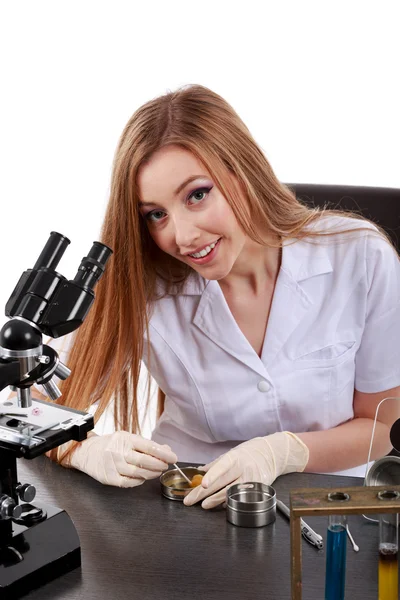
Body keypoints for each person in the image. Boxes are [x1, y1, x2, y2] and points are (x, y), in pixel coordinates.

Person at [33, 84, 400, 509]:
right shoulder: (142, 282)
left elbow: (382, 423)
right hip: (188, 501)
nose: (183, 237)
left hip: (328, 502)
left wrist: (283, 452)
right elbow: (30, 405)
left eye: (198, 195)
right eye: (156, 214)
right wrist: (80, 449)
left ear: (241, 172)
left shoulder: (359, 254)